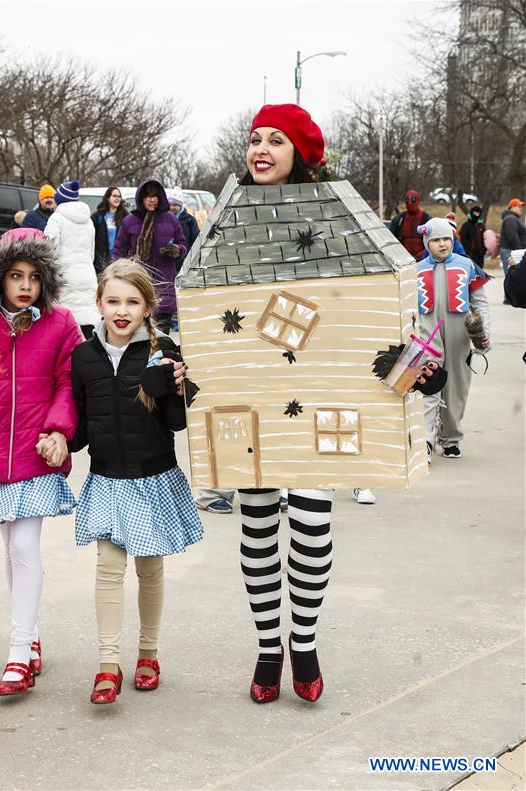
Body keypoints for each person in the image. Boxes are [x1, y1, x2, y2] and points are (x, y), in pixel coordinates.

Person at [235, 104, 338, 704]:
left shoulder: (330, 217)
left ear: (300, 152)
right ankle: (268, 644)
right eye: (255, 139)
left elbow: (360, 298)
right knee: (256, 527)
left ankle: (305, 637)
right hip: (249, 391)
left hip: (314, 389)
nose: (262, 148)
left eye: (276, 140)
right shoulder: (229, 218)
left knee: (311, 525)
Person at [69, 259, 203, 705]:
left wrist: (173, 388)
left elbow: (178, 424)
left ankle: (148, 653)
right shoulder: (83, 357)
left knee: (149, 569)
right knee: (108, 570)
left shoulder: (164, 351)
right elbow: (81, 426)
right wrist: (58, 438)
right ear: (99, 303)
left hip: (153, 477)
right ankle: (109, 663)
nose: (121, 310)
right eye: (113, 301)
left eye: (132, 301)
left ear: (148, 306)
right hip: (107, 478)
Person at [0, 227, 82, 697]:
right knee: (11, 547)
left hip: (36, 451)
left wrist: (58, 430)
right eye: (16, 275)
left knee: (26, 546)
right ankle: (29, 636)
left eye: (35, 276)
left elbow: (68, 382)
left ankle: (17, 655)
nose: (26, 285)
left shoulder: (61, 324)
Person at [416, 217, 491, 461]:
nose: (442, 244)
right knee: (429, 384)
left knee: (457, 389)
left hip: (460, 337)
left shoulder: (466, 265)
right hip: (428, 335)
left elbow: (480, 303)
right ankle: (426, 440)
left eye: (446, 239)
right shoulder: (416, 269)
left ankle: (450, 438)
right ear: (427, 241)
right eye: (436, 240)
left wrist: (484, 331)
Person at [112, 180, 187, 334]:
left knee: (161, 335)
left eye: (155, 196)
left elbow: (183, 245)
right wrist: (120, 272)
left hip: (164, 281)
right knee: (139, 332)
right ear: (141, 199)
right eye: (148, 197)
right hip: (137, 282)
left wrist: (176, 250)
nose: (152, 200)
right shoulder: (129, 222)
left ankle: (160, 357)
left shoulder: (171, 220)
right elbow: (118, 251)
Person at [42, 180, 98, 338]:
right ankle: (90, 351)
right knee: (88, 316)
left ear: (59, 199)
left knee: (65, 318)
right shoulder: (89, 220)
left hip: (65, 274)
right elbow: (91, 252)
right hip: (87, 274)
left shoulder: (56, 218)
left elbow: (49, 248)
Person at [89, 186, 128, 275]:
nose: (117, 198)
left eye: (119, 196)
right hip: (101, 262)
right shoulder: (97, 216)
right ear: (107, 198)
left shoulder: (125, 217)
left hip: (119, 262)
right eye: (114, 196)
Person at [389, 190, 431, 259]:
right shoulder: (399, 219)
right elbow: (391, 239)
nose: (410, 203)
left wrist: (423, 254)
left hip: (423, 258)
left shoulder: (427, 219)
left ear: (418, 201)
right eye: (407, 200)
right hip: (403, 258)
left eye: (413, 200)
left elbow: (434, 240)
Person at [500, 198, 526, 275]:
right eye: (519, 206)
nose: (521, 209)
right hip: (510, 251)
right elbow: (512, 236)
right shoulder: (510, 219)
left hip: (512, 251)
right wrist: (519, 251)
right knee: (512, 275)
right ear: (512, 207)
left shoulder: (514, 218)